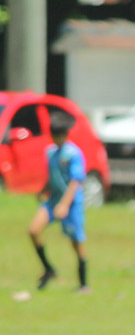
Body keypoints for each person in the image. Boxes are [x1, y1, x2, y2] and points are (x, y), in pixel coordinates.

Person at [29, 112, 90, 293]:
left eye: (60, 135)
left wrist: (64, 205)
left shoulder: (73, 154)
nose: (57, 139)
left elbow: (74, 182)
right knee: (33, 230)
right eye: (54, 135)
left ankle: (84, 285)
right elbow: (53, 176)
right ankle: (49, 269)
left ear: (66, 134)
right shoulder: (50, 152)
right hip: (52, 200)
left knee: (76, 241)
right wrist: (43, 189)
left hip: (71, 204)